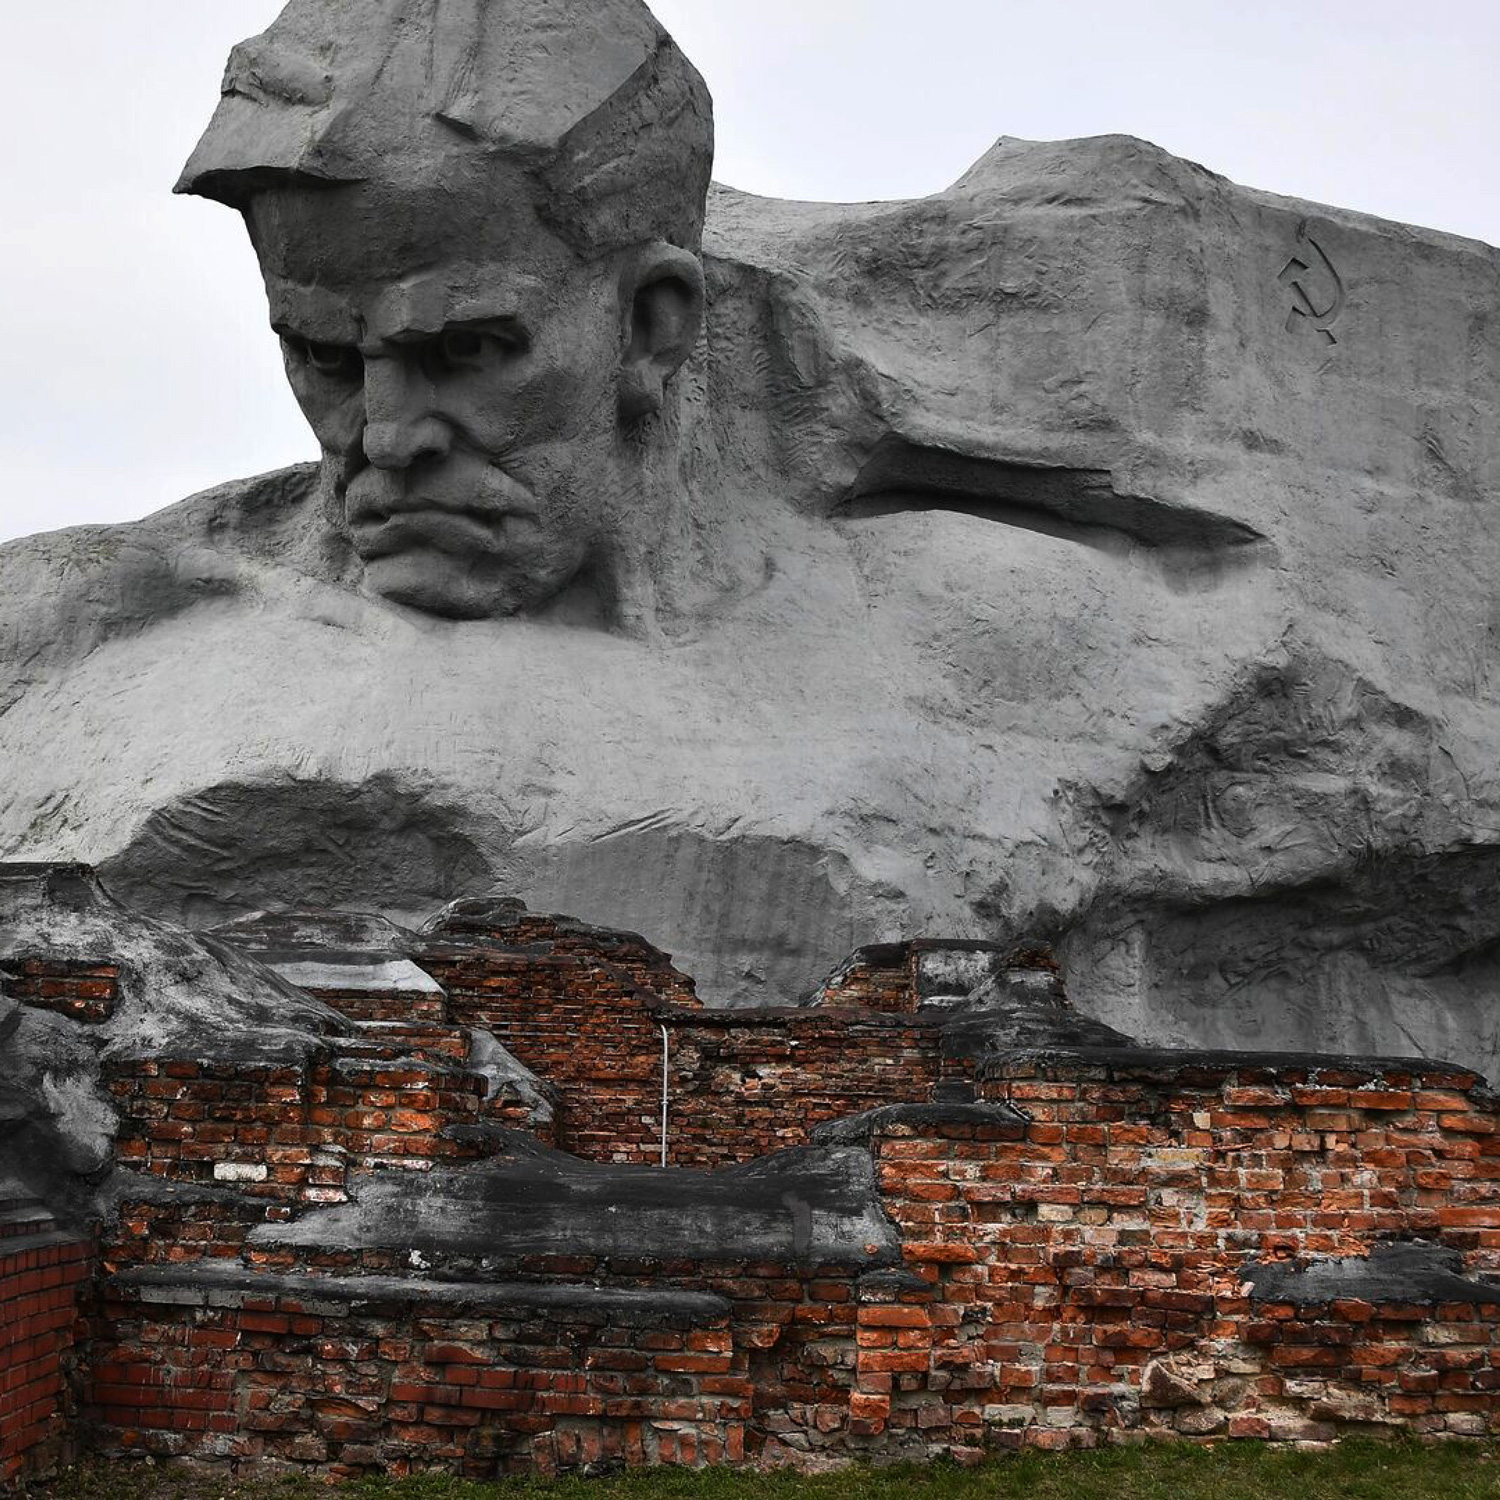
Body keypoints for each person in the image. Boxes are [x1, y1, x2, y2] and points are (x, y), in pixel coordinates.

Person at [1, 0, 1496, 1075]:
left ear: (656, 322)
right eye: (326, 360)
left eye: (468, 353)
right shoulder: (97, 637)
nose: (384, 441)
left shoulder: (1009, 627)